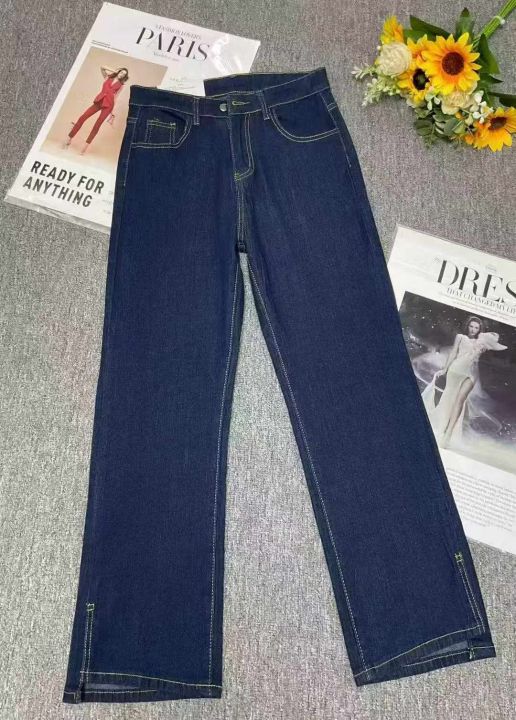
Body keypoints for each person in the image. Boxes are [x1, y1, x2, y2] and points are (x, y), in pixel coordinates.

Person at [422, 316, 507, 448]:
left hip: (472, 374)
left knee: (460, 401)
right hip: (456, 370)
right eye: (471, 326)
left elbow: (498, 343)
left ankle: (448, 434)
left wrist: (484, 344)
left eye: (476, 328)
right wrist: (445, 369)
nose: (473, 329)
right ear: (467, 326)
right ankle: (442, 427)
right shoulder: (460, 337)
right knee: (448, 398)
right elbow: (453, 353)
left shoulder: (482, 342)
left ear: (480, 330)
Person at [63, 67, 129, 154]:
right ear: (119, 71)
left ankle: (85, 147)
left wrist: (112, 112)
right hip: (99, 101)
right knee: (83, 117)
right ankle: (69, 139)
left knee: (97, 125)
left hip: (108, 105)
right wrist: (115, 72)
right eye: (121, 72)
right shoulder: (108, 77)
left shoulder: (121, 85)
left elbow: (115, 97)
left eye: (124, 74)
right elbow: (102, 68)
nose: (122, 75)